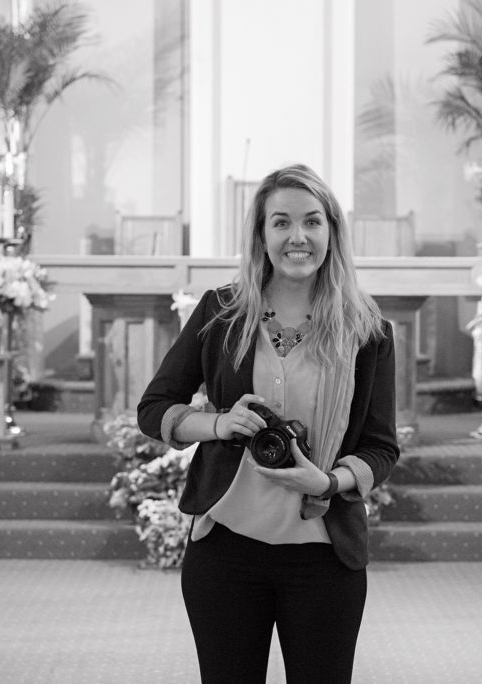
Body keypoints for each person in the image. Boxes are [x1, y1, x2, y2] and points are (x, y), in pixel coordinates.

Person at [137, 163, 399, 684]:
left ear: (332, 232)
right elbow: (154, 407)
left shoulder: (367, 330)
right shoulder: (220, 313)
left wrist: (327, 481)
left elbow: (380, 448)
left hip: (323, 557)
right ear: (261, 234)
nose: (296, 236)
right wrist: (217, 425)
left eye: (312, 221)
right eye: (280, 222)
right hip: (226, 552)